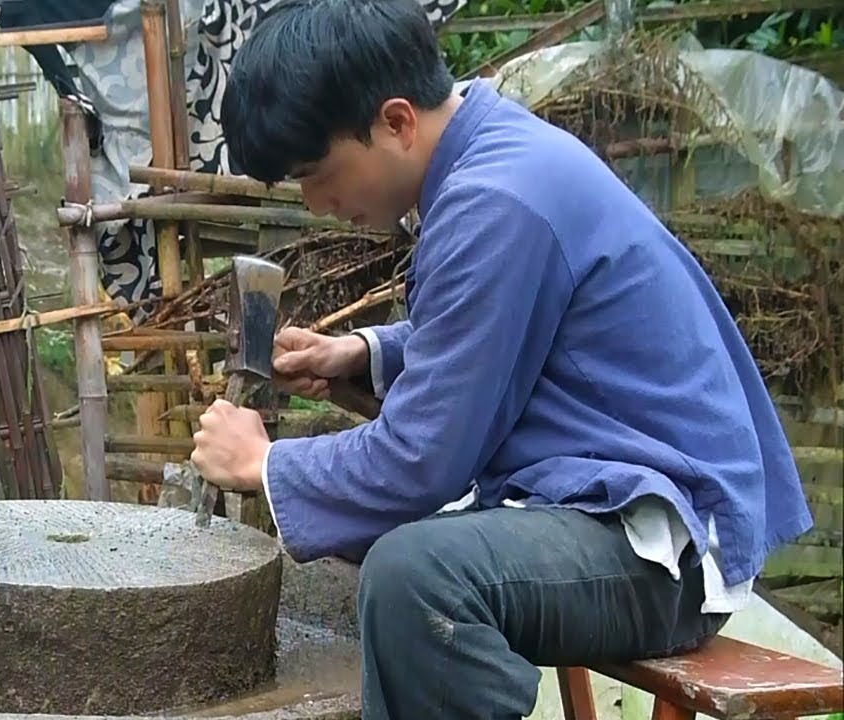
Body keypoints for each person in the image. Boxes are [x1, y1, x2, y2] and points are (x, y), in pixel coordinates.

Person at [185, 0, 814, 718]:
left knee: (417, 577)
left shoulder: (496, 199)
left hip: (658, 540)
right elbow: (507, 337)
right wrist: (365, 353)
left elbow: (420, 460)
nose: (315, 202)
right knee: (393, 556)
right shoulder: (494, 155)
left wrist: (263, 464)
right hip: (609, 500)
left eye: (316, 172)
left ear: (395, 122)